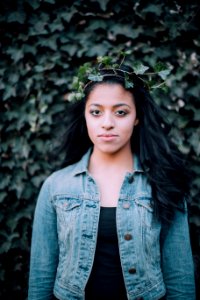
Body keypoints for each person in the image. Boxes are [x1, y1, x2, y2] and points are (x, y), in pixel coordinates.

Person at [28, 57, 196, 300]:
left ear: (137, 117)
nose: (107, 123)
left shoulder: (164, 184)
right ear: (85, 116)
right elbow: (40, 279)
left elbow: (180, 279)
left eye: (121, 112)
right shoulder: (56, 186)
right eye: (96, 112)